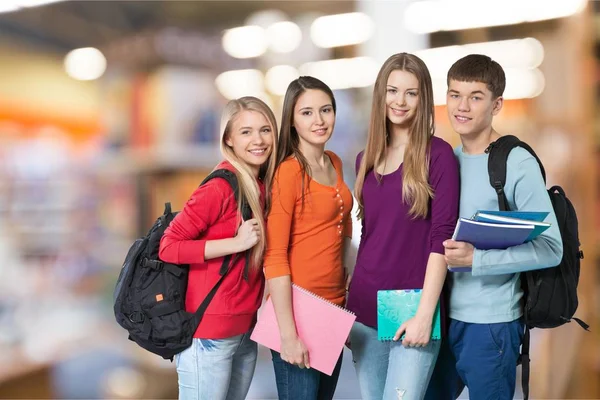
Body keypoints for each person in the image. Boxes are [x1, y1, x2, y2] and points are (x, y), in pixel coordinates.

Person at [425, 54, 563, 400]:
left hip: (492, 325)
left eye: (476, 96)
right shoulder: (448, 160)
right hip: (441, 318)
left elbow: (551, 247)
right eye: (455, 94)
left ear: (496, 104)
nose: (462, 106)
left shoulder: (516, 162)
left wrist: (477, 260)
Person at [345, 52, 460, 400]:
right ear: (381, 94)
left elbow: (442, 239)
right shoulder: (366, 158)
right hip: (365, 305)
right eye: (393, 91)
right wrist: (350, 305)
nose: (400, 101)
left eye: (411, 93)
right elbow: (369, 234)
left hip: (412, 304)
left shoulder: (438, 155)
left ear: (423, 98)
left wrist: (426, 314)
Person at [158, 96, 278, 400]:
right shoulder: (220, 187)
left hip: (243, 333)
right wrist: (235, 244)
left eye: (265, 130)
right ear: (229, 139)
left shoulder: (261, 186)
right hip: (208, 337)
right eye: (246, 132)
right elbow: (169, 247)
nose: (258, 140)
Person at [263, 76, 353, 400]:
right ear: (291, 119)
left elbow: (343, 235)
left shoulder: (335, 163)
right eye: (307, 113)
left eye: (326, 110)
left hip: (333, 309)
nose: (319, 120)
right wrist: (288, 334)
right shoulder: (288, 172)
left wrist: (348, 303)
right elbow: (274, 255)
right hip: (298, 312)